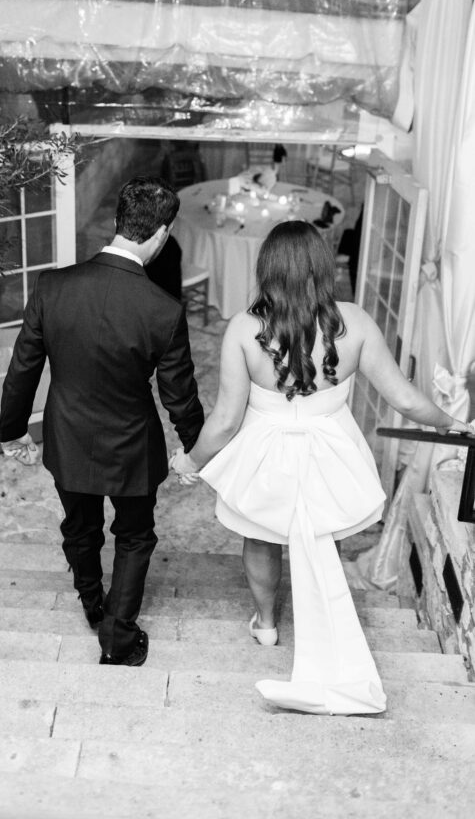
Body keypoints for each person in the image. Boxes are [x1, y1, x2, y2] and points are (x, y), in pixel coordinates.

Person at [171, 220, 473, 715]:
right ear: (322, 266)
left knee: (261, 535)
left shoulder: (246, 329)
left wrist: (190, 460)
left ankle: (266, 625)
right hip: (329, 452)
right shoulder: (353, 322)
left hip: (265, 454)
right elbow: (403, 398)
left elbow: (225, 420)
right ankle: (321, 610)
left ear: (267, 268)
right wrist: (452, 423)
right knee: (321, 534)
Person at [0, 176, 204, 667]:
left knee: (80, 527)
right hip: (132, 445)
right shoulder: (163, 310)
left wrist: (12, 430)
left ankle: (93, 606)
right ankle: (117, 636)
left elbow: (24, 367)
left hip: (68, 437)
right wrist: (196, 448)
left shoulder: (53, 287)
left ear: (117, 221)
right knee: (135, 535)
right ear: (162, 234)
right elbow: (180, 396)